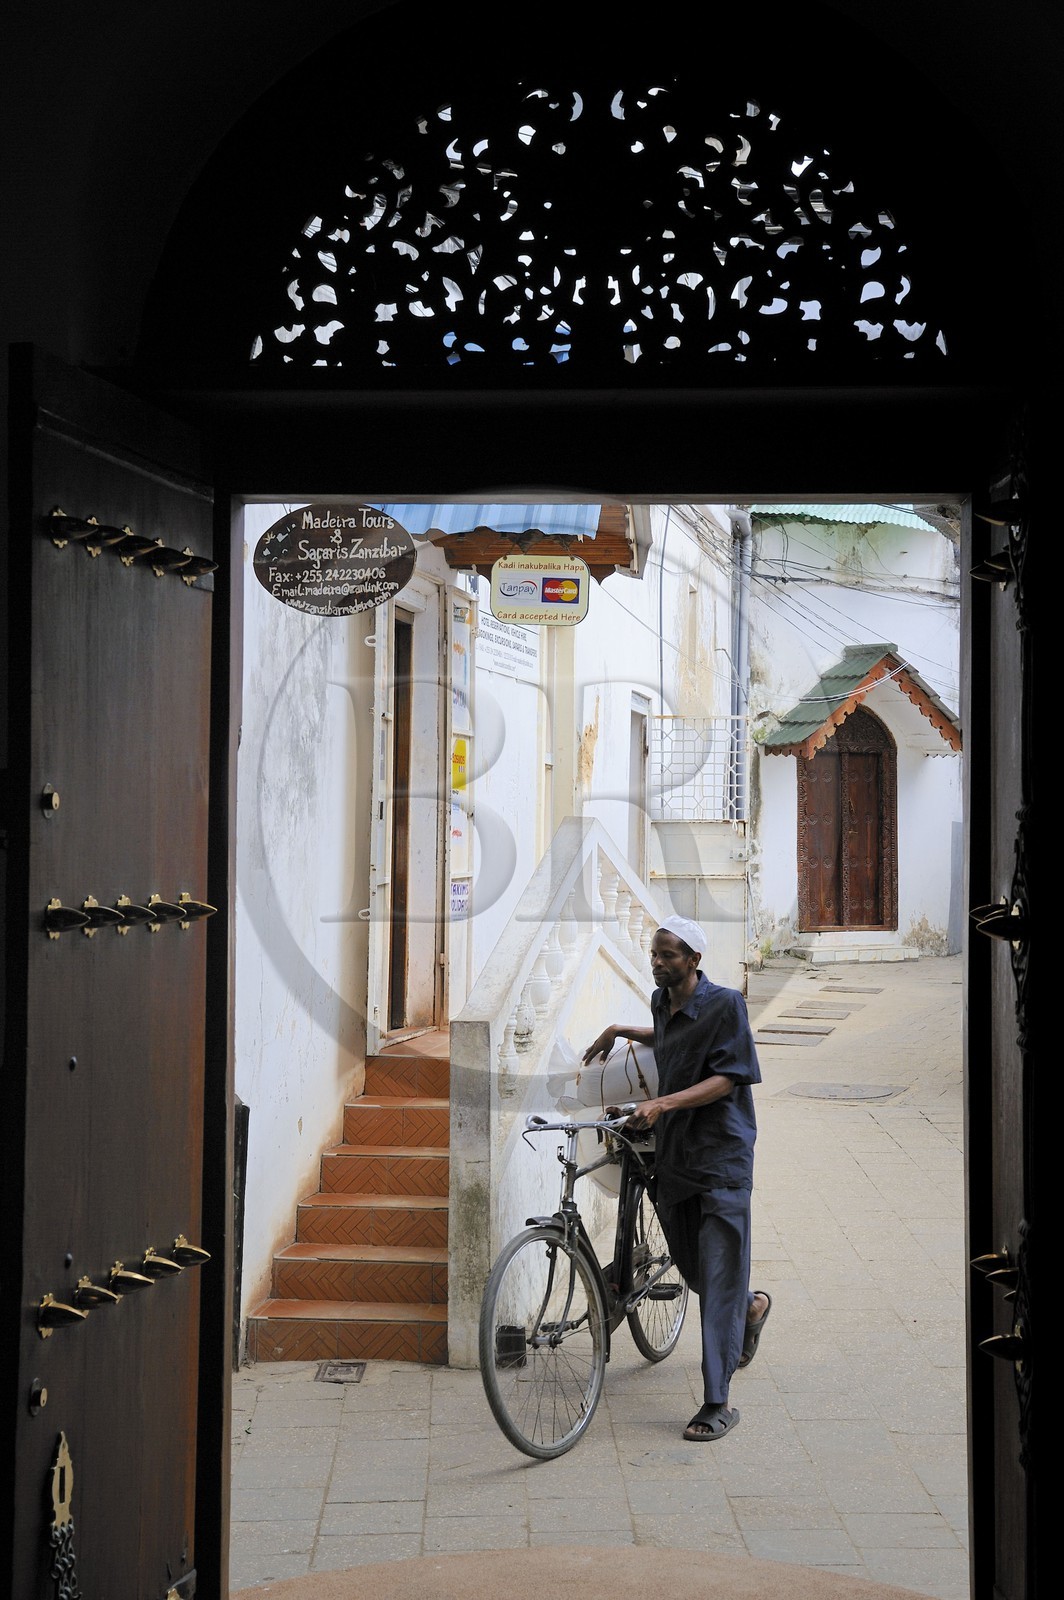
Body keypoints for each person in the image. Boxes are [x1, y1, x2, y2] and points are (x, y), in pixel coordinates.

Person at [583, 913, 771, 1441]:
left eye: (668, 955)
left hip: (723, 1157)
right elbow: (670, 1043)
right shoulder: (661, 1003)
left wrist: (663, 1102)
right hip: (676, 1160)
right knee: (694, 1272)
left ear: (694, 960)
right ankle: (751, 1308)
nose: (658, 962)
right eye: (654, 954)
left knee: (717, 1274)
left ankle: (717, 1403)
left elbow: (728, 1077)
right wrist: (622, 1030)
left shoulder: (726, 1004)